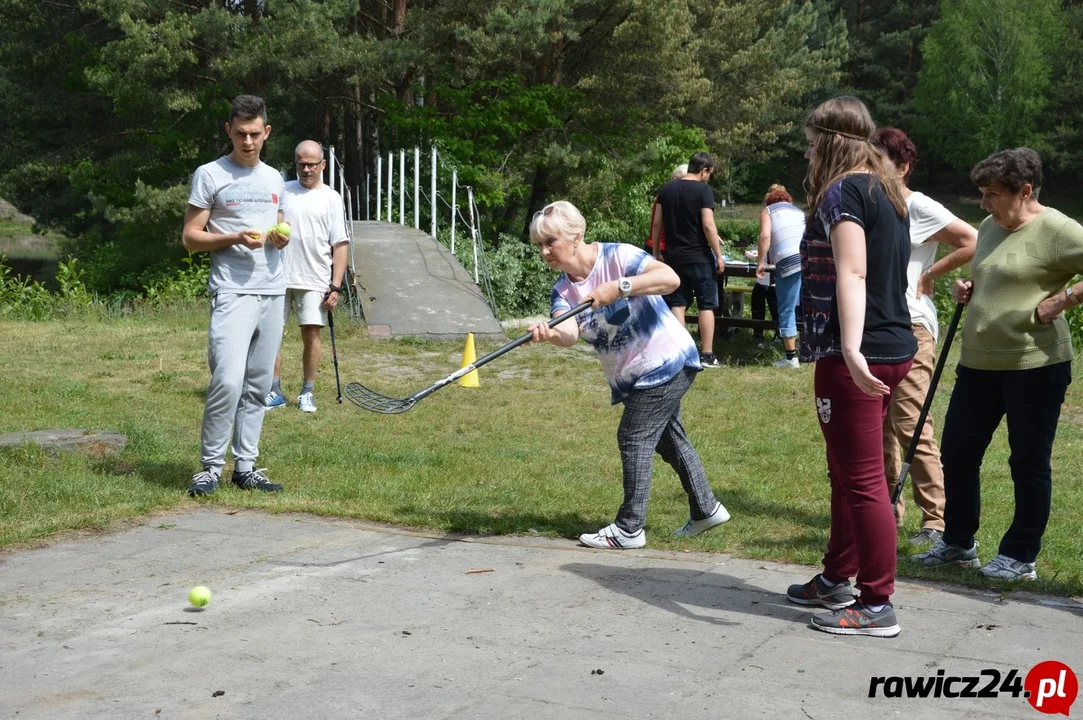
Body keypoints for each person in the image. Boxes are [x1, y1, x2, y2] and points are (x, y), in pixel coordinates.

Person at [911, 148, 1083, 581]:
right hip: (978, 362)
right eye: (983, 194)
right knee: (958, 453)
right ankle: (957, 544)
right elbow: (995, 275)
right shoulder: (990, 226)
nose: (984, 204)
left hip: (1035, 364)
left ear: (1025, 191)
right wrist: (968, 288)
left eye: (992, 195)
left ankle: (1020, 555)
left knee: (1027, 460)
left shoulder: (1058, 229)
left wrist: (1066, 298)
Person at [784, 96, 916, 637]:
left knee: (863, 480)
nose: (810, 152)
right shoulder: (887, 189)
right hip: (891, 346)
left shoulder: (844, 191)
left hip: (857, 354)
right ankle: (838, 576)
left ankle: (877, 603)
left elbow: (854, 273)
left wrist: (853, 350)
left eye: (814, 141)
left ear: (831, 140)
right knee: (847, 472)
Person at [528, 201, 730, 549]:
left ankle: (629, 528)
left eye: (551, 241)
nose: (545, 251)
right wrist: (549, 333)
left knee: (633, 437)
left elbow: (670, 279)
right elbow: (570, 333)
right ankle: (706, 509)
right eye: (540, 245)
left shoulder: (617, 257)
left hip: (666, 359)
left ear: (576, 237)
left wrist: (619, 287)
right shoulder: (563, 289)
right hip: (637, 374)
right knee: (668, 439)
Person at [871, 128, 977, 548]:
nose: (874, 171)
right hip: (875, 325)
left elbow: (972, 239)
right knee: (877, 423)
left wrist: (932, 274)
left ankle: (936, 520)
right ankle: (887, 512)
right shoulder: (872, 204)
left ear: (903, 166)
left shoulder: (918, 205)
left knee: (911, 421)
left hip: (912, 323)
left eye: (882, 162)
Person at [181, 94, 289, 497]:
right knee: (227, 379)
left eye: (255, 134)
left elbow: (277, 230)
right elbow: (191, 238)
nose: (247, 142)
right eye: (240, 134)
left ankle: (246, 466)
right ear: (228, 131)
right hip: (232, 290)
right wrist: (232, 238)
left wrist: (278, 239)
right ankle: (210, 467)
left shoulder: (275, 178)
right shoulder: (210, 174)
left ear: (267, 133)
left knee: (259, 384)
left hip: (272, 289)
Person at [265, 140, 350, 414]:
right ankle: (273, 391)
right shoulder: (283, 190)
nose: (306, 169)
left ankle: (307, 393)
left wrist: (336, 286)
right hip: (278, 276)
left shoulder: (332, 197)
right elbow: (271, 226)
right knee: (271, 335)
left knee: (311, 333)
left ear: (322, 165)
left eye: (311, 164)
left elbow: (340, 244)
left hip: (315, 278)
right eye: (301, 163)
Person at [651, 151, 727, 368]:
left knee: (678, 303)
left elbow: (657, 224)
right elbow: (708, 225)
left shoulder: (666, 189)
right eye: (709, 174)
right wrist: (718, 255)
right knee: (706, 305)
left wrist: (657, 252)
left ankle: (682, 353)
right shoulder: (704, 190)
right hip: (699, 256)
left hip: (674, 256)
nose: (709, 178)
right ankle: (707, 355)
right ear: (703, 170)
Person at [756, 184, 805, 368]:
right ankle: (809, 350)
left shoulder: (767, 211)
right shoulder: (799, 211)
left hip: (788, 260)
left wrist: (761, 261)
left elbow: (765, 236)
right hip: (807, 257)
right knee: (806, 306)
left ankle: (791, 358)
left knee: (787, 307)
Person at [645, 163, 687, 256]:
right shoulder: (667, 196)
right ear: (675, 179)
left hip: (659, 246)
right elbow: (657, 224)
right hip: (663, 248)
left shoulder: (663, 195)